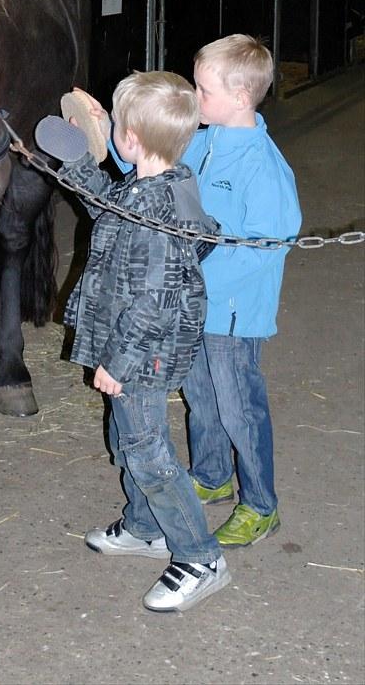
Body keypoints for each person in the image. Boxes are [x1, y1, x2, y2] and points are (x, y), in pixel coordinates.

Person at [35, 72, 229, 614]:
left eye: (116, 124)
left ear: (131, 138)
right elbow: (109, 207)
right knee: (128, 438)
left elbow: (153, 303)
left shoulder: (155, 211)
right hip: (139, 344)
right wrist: (77, 161)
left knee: (148, 454)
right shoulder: (157, 183)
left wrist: (118, 363)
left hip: (143, 352)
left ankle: (200, 556)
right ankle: (146, 528)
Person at [177, 35, 301, 547]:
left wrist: (203, 276)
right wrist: (112, 138)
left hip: (232, 312)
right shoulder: (203, 140)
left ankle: (261, 505)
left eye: (203, 91)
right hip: (196, 302)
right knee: (199, 395)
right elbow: (155, 162)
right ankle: (212, 476)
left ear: (241, 97)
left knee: (238, 407)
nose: (195, 98)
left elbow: (271, 244)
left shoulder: (262, 165)